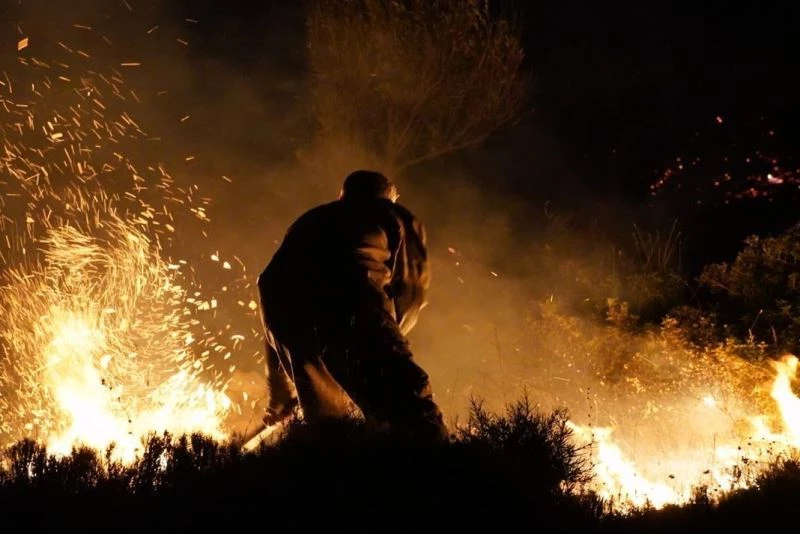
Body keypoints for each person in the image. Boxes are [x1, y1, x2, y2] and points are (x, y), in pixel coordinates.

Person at [256, 170, 448, 442]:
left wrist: (279, 393)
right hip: (348, 305)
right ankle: (447, 475)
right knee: (409, 403)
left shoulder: (309, 221)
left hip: (283, 317)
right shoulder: (392, 214)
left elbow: (272, 296)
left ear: (342, 195)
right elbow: (410, 291)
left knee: (329, 426)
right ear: (388, 197)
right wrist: (388, 344)